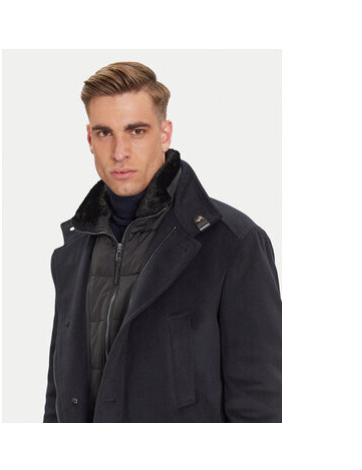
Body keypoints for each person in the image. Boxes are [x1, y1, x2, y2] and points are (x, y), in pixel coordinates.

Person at [43, 61, 282, 423]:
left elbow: (260, 404)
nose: (119, 151)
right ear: (90, 139)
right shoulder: (74, 249)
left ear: (165, 134)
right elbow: (58, 394)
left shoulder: (232, 243)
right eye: (105, 133)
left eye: (136, 131)